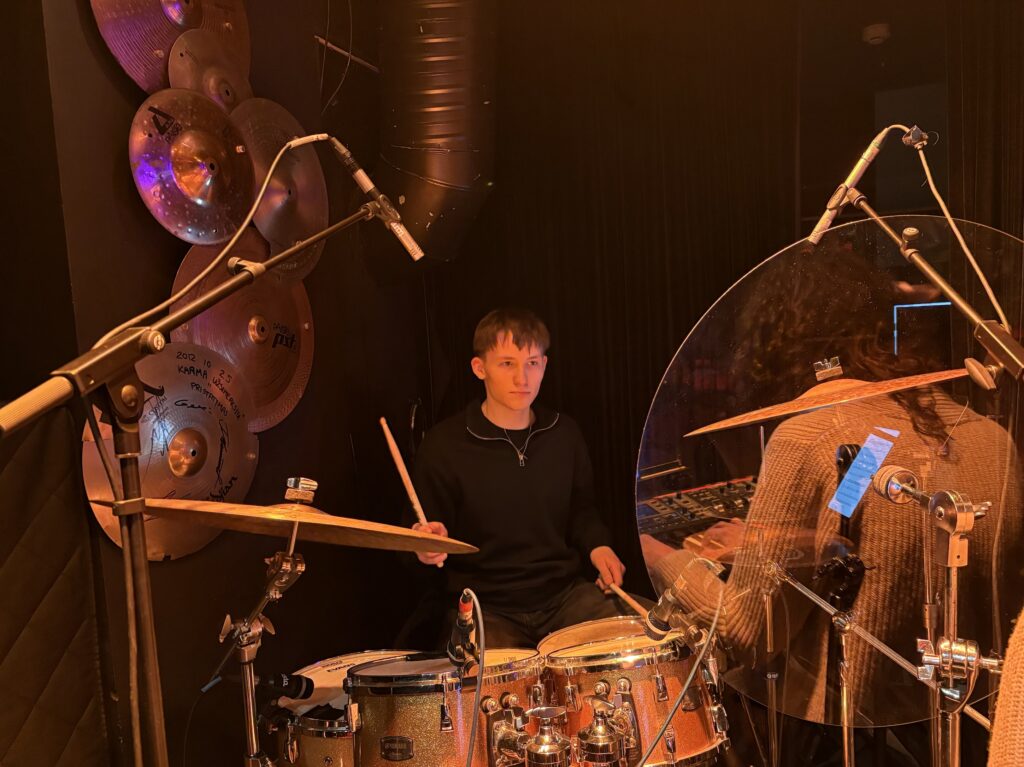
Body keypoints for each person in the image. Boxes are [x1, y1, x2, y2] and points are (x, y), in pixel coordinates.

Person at [640, 245, 1023, 761]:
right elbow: (857, 524)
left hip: (846, 738)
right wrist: (771, 543)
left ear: (779, 340)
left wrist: (660, 555)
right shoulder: (990, 440)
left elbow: (747, 632)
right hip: (972, 731)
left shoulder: (811, 436)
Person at [409, 308, 630, 647]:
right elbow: (420, 531)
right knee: (486, 676)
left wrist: (599, 546)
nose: (522, 379)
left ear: (545, 366)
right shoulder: (444, 445)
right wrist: (426, 544)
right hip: (484, 606)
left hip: (564, 596)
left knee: (648, 636)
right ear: (479, 368)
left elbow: (582, 511)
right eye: (507, 364)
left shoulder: (564, 433)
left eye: (532, 363)